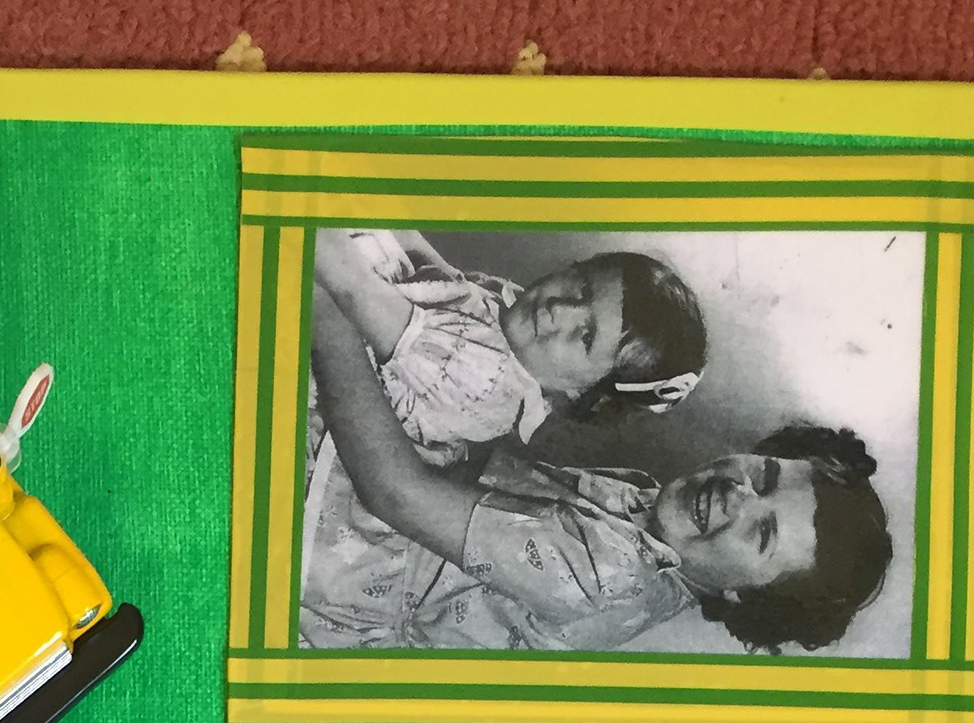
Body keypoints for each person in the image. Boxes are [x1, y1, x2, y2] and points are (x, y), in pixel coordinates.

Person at [309, 280, 893, 656]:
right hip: (389, 507)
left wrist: (330, 313)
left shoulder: (612, 575)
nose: (737, 496)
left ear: (744, 598)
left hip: (341, 567)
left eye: (761, 534)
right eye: (764, 476)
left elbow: (394, 493)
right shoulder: (656, 518)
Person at [300, 231, 707, 649]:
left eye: (585, 336)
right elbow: (444, 275)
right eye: (581, 288)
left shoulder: (485, 375)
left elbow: (350, 288)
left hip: (325, 464)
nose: (562, 310)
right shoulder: (517, 326)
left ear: (580, 394)